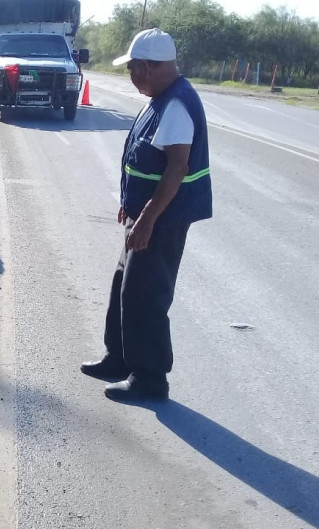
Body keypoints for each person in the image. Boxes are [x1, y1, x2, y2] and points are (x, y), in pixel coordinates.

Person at [80, 28, 212, 401]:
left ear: (150, 67)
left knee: (146, 295)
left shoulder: (177, 105)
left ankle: (151, 378)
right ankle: (119, 358)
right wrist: (132, 203)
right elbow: (145, 160)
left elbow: (177, 169)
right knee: (124, 284)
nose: (131, 77)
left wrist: (149, 218)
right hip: (147, 212)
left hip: (164, 219)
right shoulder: (159, 98)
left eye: (133, 69)